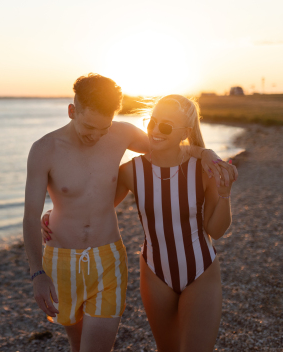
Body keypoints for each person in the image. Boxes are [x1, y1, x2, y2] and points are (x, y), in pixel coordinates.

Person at [23, 75, 236, 352]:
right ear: (72, 111)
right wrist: (40, 264)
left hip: (130, 261)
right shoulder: (49, 151)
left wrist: (205, 155)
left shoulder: (123, 136)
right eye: (89, 126)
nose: (96, 136)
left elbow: (164, 145)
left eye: (104, 128)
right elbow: (41, 213)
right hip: (91, 264)